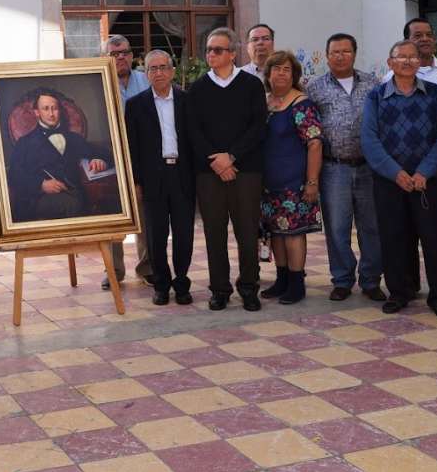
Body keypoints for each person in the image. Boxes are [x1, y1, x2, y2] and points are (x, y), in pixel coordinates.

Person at [362, 40, 437, 316]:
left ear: (420, 62)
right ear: (390, 63)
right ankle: (399, 292)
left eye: (412, 57)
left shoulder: (436, 94)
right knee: (393, 238)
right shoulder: (376, 97)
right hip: (390, 181)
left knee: (436, 239)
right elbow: (369, 139)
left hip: (429, 181)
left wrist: (424, 171)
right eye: (401, 57)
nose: (407, 61)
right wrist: (396, 173)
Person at [187, 27, 268, 312]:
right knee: (214, 233)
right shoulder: (197, 88)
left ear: (232, 53)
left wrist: (231, 157)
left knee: (247, 233)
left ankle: (249, 288)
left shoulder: (251, 85)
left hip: (246, 171)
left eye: (218, 50)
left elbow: (258, 127)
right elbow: (193, 131)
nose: (211, 54)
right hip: (209, 174)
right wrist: (217, 162)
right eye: (208, 49)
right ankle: (219, 289)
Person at [305, 33, 386, 302]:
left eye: (345, 51)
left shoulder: (373, 85)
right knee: (337, 226)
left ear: (354, 53)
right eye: (334, 52)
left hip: (368, 167)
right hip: (333, 168)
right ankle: (342, 279)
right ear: (327, 56)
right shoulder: (315, 88)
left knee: (371, 226)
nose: (340, 56)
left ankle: (371, 280)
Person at [125, 50, 195, 306]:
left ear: (172, 71)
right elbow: (131, 147)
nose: (159, 73)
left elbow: (195, 141)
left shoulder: (187, 100)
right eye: (152, 69)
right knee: (155, 235)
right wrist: (135, 181)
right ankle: (161, 285)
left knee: (184, 232)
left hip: (182, 175)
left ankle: (182, 282)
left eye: (163, 67)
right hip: (152, 177)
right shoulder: (135, 105)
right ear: (146, 74)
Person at [257, 51, 323, 305]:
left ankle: (297, 283)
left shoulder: (301, 103)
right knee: (276, 233)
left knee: (294, 233)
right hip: (267, 184)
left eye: (286, 69)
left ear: (294, 75)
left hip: (294, 182)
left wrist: (312, 182)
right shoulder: (264, 102)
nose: (281, 73)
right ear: (268, 74)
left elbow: (315, 144)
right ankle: (282, 279)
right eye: (276, 69)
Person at [7, 89, 114, 222]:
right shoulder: (25, 143)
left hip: (75, 193)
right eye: (46, 109)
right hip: (37, 199)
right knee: (72, 205)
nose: (51, 114)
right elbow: (14, 175)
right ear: (37, 112)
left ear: (60, 111)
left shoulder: (73, 138)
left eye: (55, 108)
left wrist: (99, 159)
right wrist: (41, 185)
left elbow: (104, 153)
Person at [103, 34, 153, 289]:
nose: (120, 57)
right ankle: (114, 271)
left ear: (132, 56)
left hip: (142, 158)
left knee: (145, 216)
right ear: (106, 58)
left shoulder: (147, 81)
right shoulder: (98, 83)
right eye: (114, 53)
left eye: (124, 52)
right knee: (114, 215)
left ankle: (147, 267)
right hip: (111, 159)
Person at [384, 18, 437, 104]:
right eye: (418, 35)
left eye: (429, 35)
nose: (425, 39)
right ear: (406, 41)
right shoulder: (391, 77)